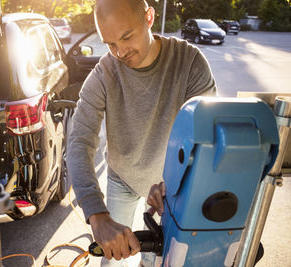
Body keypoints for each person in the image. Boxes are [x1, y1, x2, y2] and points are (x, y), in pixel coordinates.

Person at [67, 0, 217, 266]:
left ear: (149, 18)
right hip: (122, 176)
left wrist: (181, 183)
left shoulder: (190, 62)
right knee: (112, 256)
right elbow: (79, 141)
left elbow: (205, 139)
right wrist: (97, 215)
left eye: (127, 37)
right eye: (110, 43)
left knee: (157, 259)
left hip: (169, 184)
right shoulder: (104, 74)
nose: (121, 51)